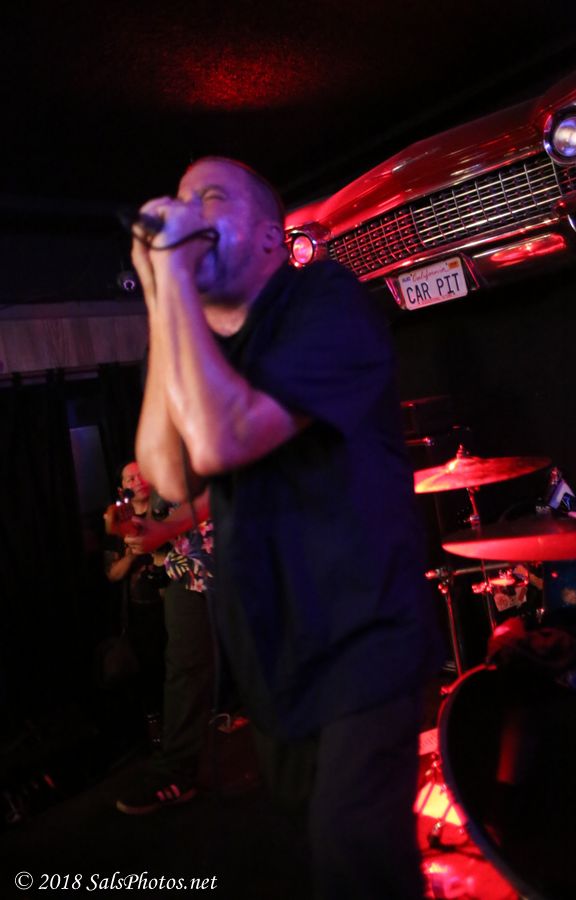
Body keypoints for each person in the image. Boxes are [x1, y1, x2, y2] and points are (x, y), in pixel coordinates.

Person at [132, 157, 440, 899]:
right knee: (319, 858)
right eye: (180, 200)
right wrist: (163, 299)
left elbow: (220, 441)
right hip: (277, 659)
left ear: (272, 236)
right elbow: (169, 476)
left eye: (210, 198)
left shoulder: (327, 300)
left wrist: (170, 272)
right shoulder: (205, 348)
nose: (188, 212)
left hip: (365, 642)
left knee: (352, 858)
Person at [113, 491, 217, 815]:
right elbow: (167, 502)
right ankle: (177, 772)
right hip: (186, 568)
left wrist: (167, 527)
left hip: (239, 554)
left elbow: (223, 482)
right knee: (184, 669)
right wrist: (144, 530)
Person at [104, 461, 168, 738]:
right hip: (142, 611)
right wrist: (133, 552)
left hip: (175, 600)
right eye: (130, 478)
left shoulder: (167, 509)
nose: (137, 480)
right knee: (150, 670)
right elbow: (112, 574)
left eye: (141, 474)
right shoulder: (118, 521)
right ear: (122, 488)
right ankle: (157, 729)